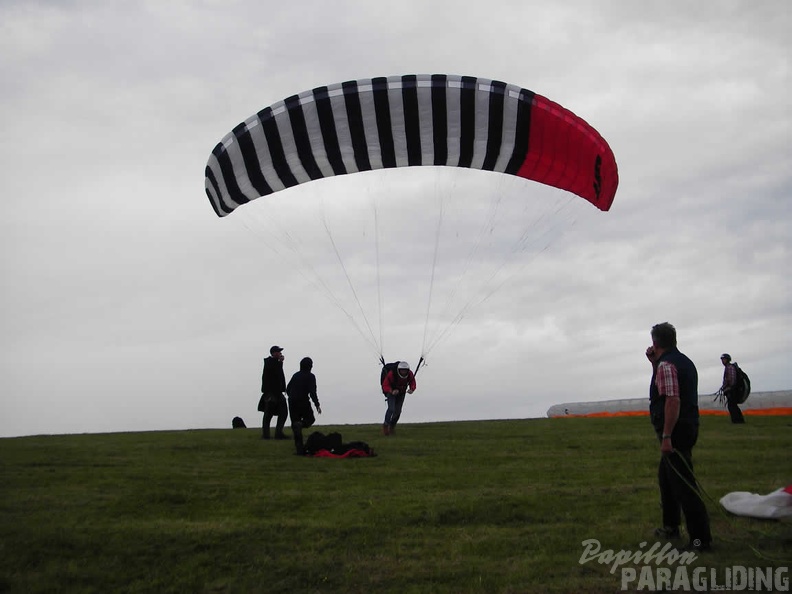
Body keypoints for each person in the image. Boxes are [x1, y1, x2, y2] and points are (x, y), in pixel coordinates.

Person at [645, 322, 712, 552]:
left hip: (676, 432)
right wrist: (654, 363)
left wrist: (666, 437)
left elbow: (672, 400)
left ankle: (700, 539)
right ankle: (671, 526)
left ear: (655, 342)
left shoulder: (667, 365)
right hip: (687, 426)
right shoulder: (682, 362)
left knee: (684, 486)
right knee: (666, 478)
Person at [286, 357, 322, 454]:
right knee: (310, 419)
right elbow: (312, 392)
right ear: (310, 366)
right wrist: (317, 404)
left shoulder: (295, 375)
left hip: (292, 401)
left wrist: (292, 397)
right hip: (303, 401)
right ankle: (301, 424)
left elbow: (288, 388)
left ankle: (299, 450)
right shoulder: (311, 376)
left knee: (295, 425)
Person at [257, 345, 288, 439]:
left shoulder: (276, 362)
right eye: (278, 352)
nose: (280, 353)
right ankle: (267, 435)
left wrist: (283, 388)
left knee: (283, 412)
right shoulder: (269, 362)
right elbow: (275, 372)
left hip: (278, 392)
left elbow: (279, 375)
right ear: (274, 353)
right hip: (270, 393)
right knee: (268, 414)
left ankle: (278, 433)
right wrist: (280, 362)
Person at [381, 361, 416, 436]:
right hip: (391, 393)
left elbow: (412, 382)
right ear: (398, 370)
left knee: (398, 411)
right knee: (391, 409)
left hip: (401, 393)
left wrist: (412, 389)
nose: (403, 372)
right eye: (402, 370)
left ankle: (392, 427)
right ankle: (385, 426)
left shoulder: (409, 374)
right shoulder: (392, 374)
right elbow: (385, 385)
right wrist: (391, 391)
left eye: (405, 370)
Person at [719, 353, 745, 424]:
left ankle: (737, 420)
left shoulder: (730, 367)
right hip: (731, 389)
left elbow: (732, 380)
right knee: (732, 405)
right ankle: (738, 420)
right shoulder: (728, 367)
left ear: (727, 360)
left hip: (732, 390)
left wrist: (728, 388)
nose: (722, 361)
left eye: (724, 359)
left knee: (732, 405)